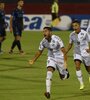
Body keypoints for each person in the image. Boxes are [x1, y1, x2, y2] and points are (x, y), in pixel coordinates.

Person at [29, 27, 69, 99]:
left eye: (46, 31)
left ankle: (65, 73)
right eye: (43, 31)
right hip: (51, 58)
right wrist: (33, 60)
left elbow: (64, 51)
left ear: (50, 32)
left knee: (62, 77)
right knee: (49, 71)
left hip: (60, 58)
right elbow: (39, 51)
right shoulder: (43, 41)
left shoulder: (57, 39)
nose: (44, 33)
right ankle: (48, 92)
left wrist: (65, 62)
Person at [66, 19, 90, 90]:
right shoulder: (72, 34)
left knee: (88, 69)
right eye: (73, 26)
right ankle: (81, 84)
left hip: (86, 53)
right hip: (77, 53)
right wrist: (65, 52)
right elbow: (70, 44)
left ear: (79, 26)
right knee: (77, 66)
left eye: (76, 25)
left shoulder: (85, 33)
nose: (74, 27)